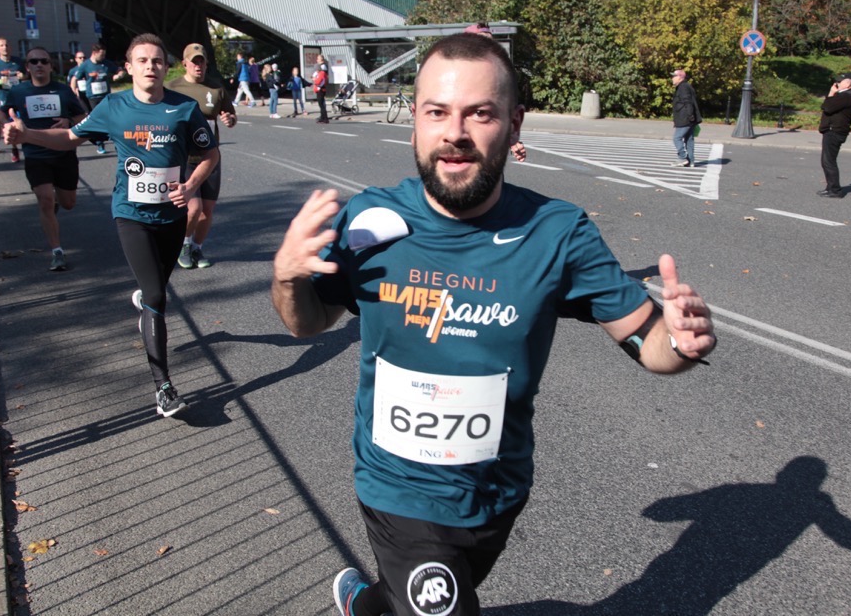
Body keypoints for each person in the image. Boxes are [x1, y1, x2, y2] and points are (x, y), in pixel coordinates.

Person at [271, 33, 716, 616]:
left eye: (479, 113)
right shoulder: (369, 220)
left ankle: (365, 603)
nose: (455, 133)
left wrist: (678, 341)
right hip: (397, 486)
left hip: (498, 488)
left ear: (513, 124)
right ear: (415, 122)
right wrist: (287, 278)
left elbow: (645, 340)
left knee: (416, 595)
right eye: (437, 112)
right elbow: (309, 323)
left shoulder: (557, 233)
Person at [3, 33, 219, 418]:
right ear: (129, 67)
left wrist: (190, 186)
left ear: (164, 67)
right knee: (157, 296)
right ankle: (164, 388)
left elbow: (210, 154)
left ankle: (145, 303)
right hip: (130, 214)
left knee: (155, 290)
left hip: (172, 216)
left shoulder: (185, 108)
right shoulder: (114, 106)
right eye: (143, 61)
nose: (151, 67)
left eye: (157, 61)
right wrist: (27, 134)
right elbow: (69, 137)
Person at [1, 47, 87, 271]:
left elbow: (83, 118)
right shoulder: (19, 91)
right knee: (45, 199)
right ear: (27, 67)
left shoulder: (63, 91)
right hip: (35, 155)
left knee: (68, 203)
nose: (39, 64)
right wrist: (9, 126)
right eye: (34, 61)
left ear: (50, 66)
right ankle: (57, 252)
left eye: (44, 61)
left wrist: (68, 121)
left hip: (63, 154)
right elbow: (3, 113)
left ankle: (57, 201)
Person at [166, 42, 236, 269]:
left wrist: (229, 119)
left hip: (210, 157)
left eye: (202, 62)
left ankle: (197, 247)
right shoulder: (172, 88)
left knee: (207, 210)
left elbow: (230, 115)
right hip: (184, 157)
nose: (198, 66)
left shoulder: (216, 89)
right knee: (193, 208)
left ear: (206, 64)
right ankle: (184, 245)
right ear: (184, 63)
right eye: (194, 62)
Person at [462, 22, 526, 163]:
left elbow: (501, 112)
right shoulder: (453, 75)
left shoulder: (497, 77)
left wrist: (512, 140)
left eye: (491, 43)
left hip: (486, 151)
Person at [76, 42, 125, 154]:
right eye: (101, 55)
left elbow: (120, 70)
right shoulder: (85, 65)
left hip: (106, 96)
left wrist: (119, 75)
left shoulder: (106, 63)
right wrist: (74, 90)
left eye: (104, 55)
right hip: (92, 97)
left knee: (112, 119)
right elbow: (76, 78)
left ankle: (117, 142)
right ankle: (99, 143)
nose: (103, 57)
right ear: (94, 53)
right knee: (98, 120)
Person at [818, 73, 851, 199]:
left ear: (849, 84)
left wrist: (831, 92)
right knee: (826, 161)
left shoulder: (847, 96)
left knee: (829, 161)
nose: (837, 83)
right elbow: (827, 106)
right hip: (832, 131)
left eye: (841, 81)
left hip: (835, 131)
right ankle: (830, 187)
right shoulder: (842, 95)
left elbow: (827, 107)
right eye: (838, 81)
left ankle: (835, 190)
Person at [0, 37, 25, 161]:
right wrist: (0, 81)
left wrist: (23, 76)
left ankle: (28, 145)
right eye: (2, 45)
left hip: (19, 95)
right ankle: (14, 148)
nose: (5, 47)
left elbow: (27, 76)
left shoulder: (18, 61)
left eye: (7, 45)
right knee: (9, 123)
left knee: (23, 122)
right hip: (4, 97)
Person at [670, 69, 701, 168]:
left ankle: (682, 158)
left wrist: (689, 115)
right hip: (689, 118)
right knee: (689, 139)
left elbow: (688, 102)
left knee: (677, 138)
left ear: (680, 77)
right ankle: (691, 161)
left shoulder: (683, 87)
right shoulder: (686, 86)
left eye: (674, 76)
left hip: (685, 118)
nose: (672, 78)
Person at [313, 56, 329, 124]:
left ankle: (325, 118)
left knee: (322, 104)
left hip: (321, 89)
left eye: (318, 59)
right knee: (321, 104)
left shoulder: (322, 72)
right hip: (321, 89)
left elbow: (318, 82)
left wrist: (315, 80)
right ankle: (323, 117)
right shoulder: (321, 72)